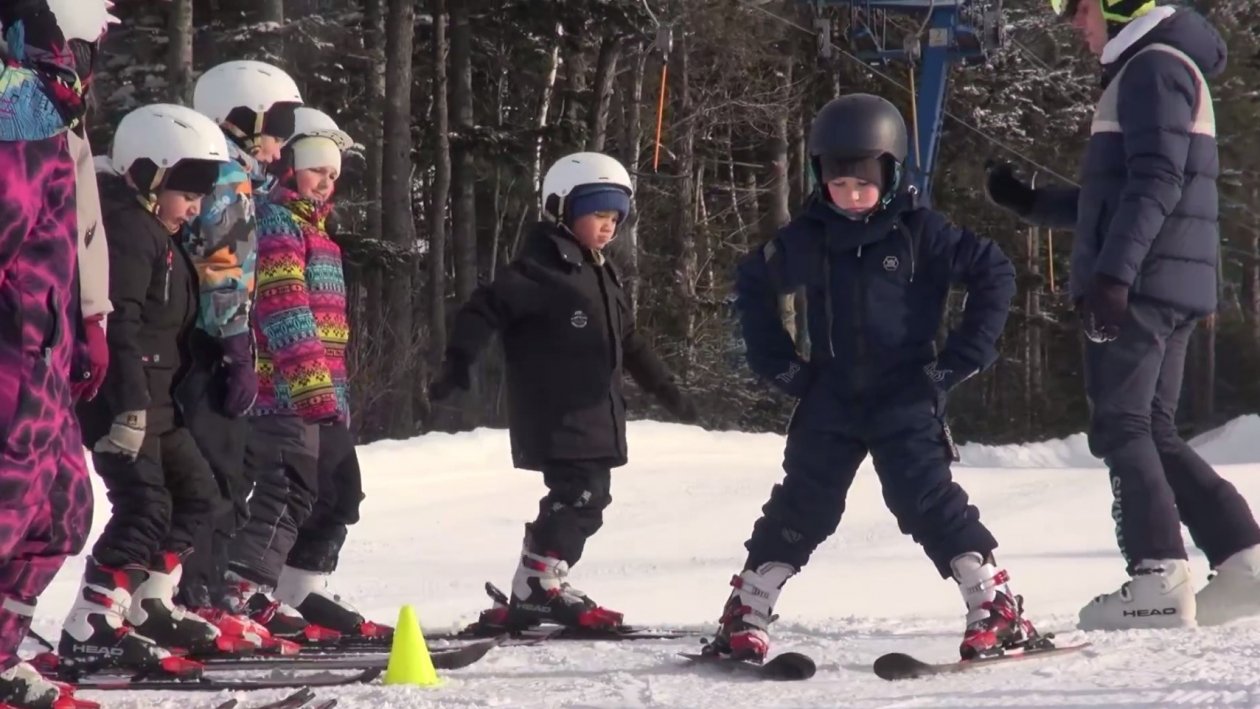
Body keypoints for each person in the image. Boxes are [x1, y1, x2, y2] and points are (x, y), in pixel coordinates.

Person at [712, 94, 1031, 663]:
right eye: (838, 184)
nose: (852, 196)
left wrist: (960, 359)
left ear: (892, 174)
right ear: (820, 178)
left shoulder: (920, 233)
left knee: (927, 499)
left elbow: (995, 271)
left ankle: (994, 607)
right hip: (830, 395)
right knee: (801, 504)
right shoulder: (809, 237)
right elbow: (752, 284)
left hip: (905, 394)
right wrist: (780, 365)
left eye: (864, 183)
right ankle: (747, 611)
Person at [984, 0, 1260, 630]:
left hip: (1144, 282)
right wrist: (1030, 202)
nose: (1072, 24)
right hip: (1165, 278)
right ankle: (1244, 564)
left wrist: (1114, 276)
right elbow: (1119, 194)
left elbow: (1158, 180)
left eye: (1078, 9)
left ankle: (1157, 577)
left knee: (1121, 425)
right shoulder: (1157, 65)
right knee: (1151, 428)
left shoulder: (1152, 68)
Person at [429, 152, 698, 630]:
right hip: (556, 411)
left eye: (616, 217)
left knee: (589, 498)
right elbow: (483, 308)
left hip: (596, 413)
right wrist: (458, 364)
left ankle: (541, 579)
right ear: (562, 209)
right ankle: (538, 583)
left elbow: (630, 340)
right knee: (579, 495)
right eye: (598, 214)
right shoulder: (541, 271)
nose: (609, 226)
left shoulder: (602, 273)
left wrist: (666, 389)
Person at [60, 104, 248, 669]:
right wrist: (127, 408)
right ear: (150, 172)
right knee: (144, 505)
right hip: (125, 402)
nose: (195, 207)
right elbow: (118, 322)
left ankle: (150, 605)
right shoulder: (124, 226)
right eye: (188, 190)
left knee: (198, 498)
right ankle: (92, 621)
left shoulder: (151, 228)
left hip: (159, 401)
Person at [224, 108, 385, 640]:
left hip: (323, 393)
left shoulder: (319, 234)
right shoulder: (276, 223)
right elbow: (284, 309)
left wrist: (331, 394)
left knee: (341, 492)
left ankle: (299, 590)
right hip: (285, 394)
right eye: (318, 168)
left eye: (334, 174)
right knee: (288, 491)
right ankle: (242, 588)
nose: (326, 181)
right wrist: (314, 389)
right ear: (290, 165)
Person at [0, 1, 114, 706]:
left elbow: (73, 233)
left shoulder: (40, 112)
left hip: (43, 342)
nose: (78, 67)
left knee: (64, 510)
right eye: (69, 51)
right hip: (10, 349)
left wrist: (87, 319)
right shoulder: (16, 104)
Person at [178, 60, 304, 638]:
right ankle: (196, 597)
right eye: (276, 130)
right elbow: (223, 266)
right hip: (208, 344)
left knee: (215, 473)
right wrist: (234, 348)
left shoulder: (223, 172)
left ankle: (192, 593)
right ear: (243, 119)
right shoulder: (227, 176)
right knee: (218, 473)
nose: (280, 149)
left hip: (197, 343)